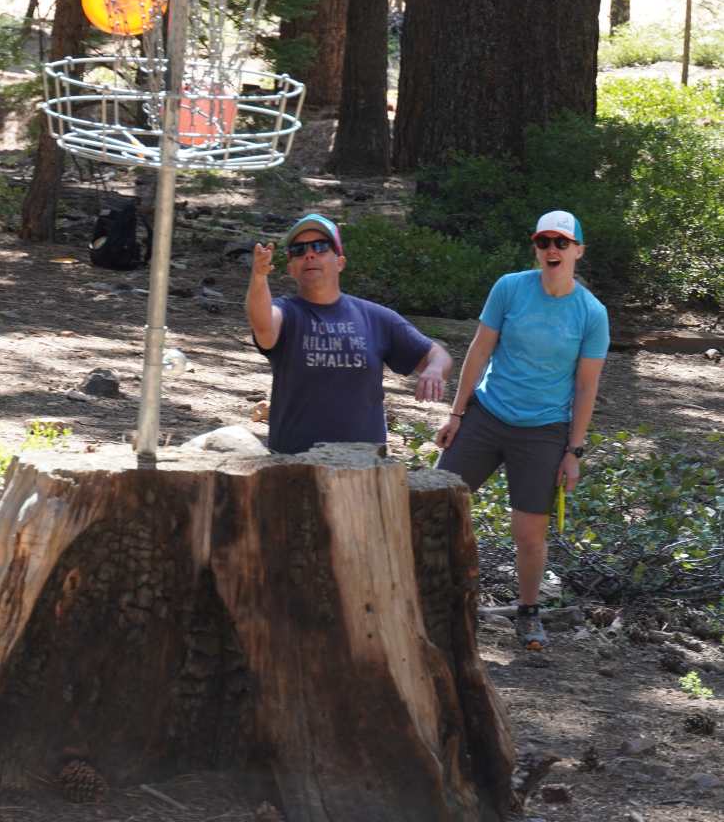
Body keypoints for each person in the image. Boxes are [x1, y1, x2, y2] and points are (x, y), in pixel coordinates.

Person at [434, 210, 609, 650]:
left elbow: (586, 386)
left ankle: (528, 613)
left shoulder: (591, 313)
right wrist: (456, 414)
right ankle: (427, 595)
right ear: (536, 248)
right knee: (435, 502)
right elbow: (479, 351)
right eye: (543, 241)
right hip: (487, 415)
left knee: (529, 535)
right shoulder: (510, 288)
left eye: (561, 243)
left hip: (544, 430)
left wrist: (574, 451)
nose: (552, 249)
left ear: (578, 251)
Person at [246, 212, 452, 455]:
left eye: (320, 247)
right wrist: (259, 277)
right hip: (293, 463)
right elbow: (263, 325)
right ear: (291, 268)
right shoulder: (286, 313)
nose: (309, 254)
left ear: (340, 262)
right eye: (299, 250)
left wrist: (435, 369)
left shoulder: (376, 317)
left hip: (363, 464)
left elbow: (437, 354)